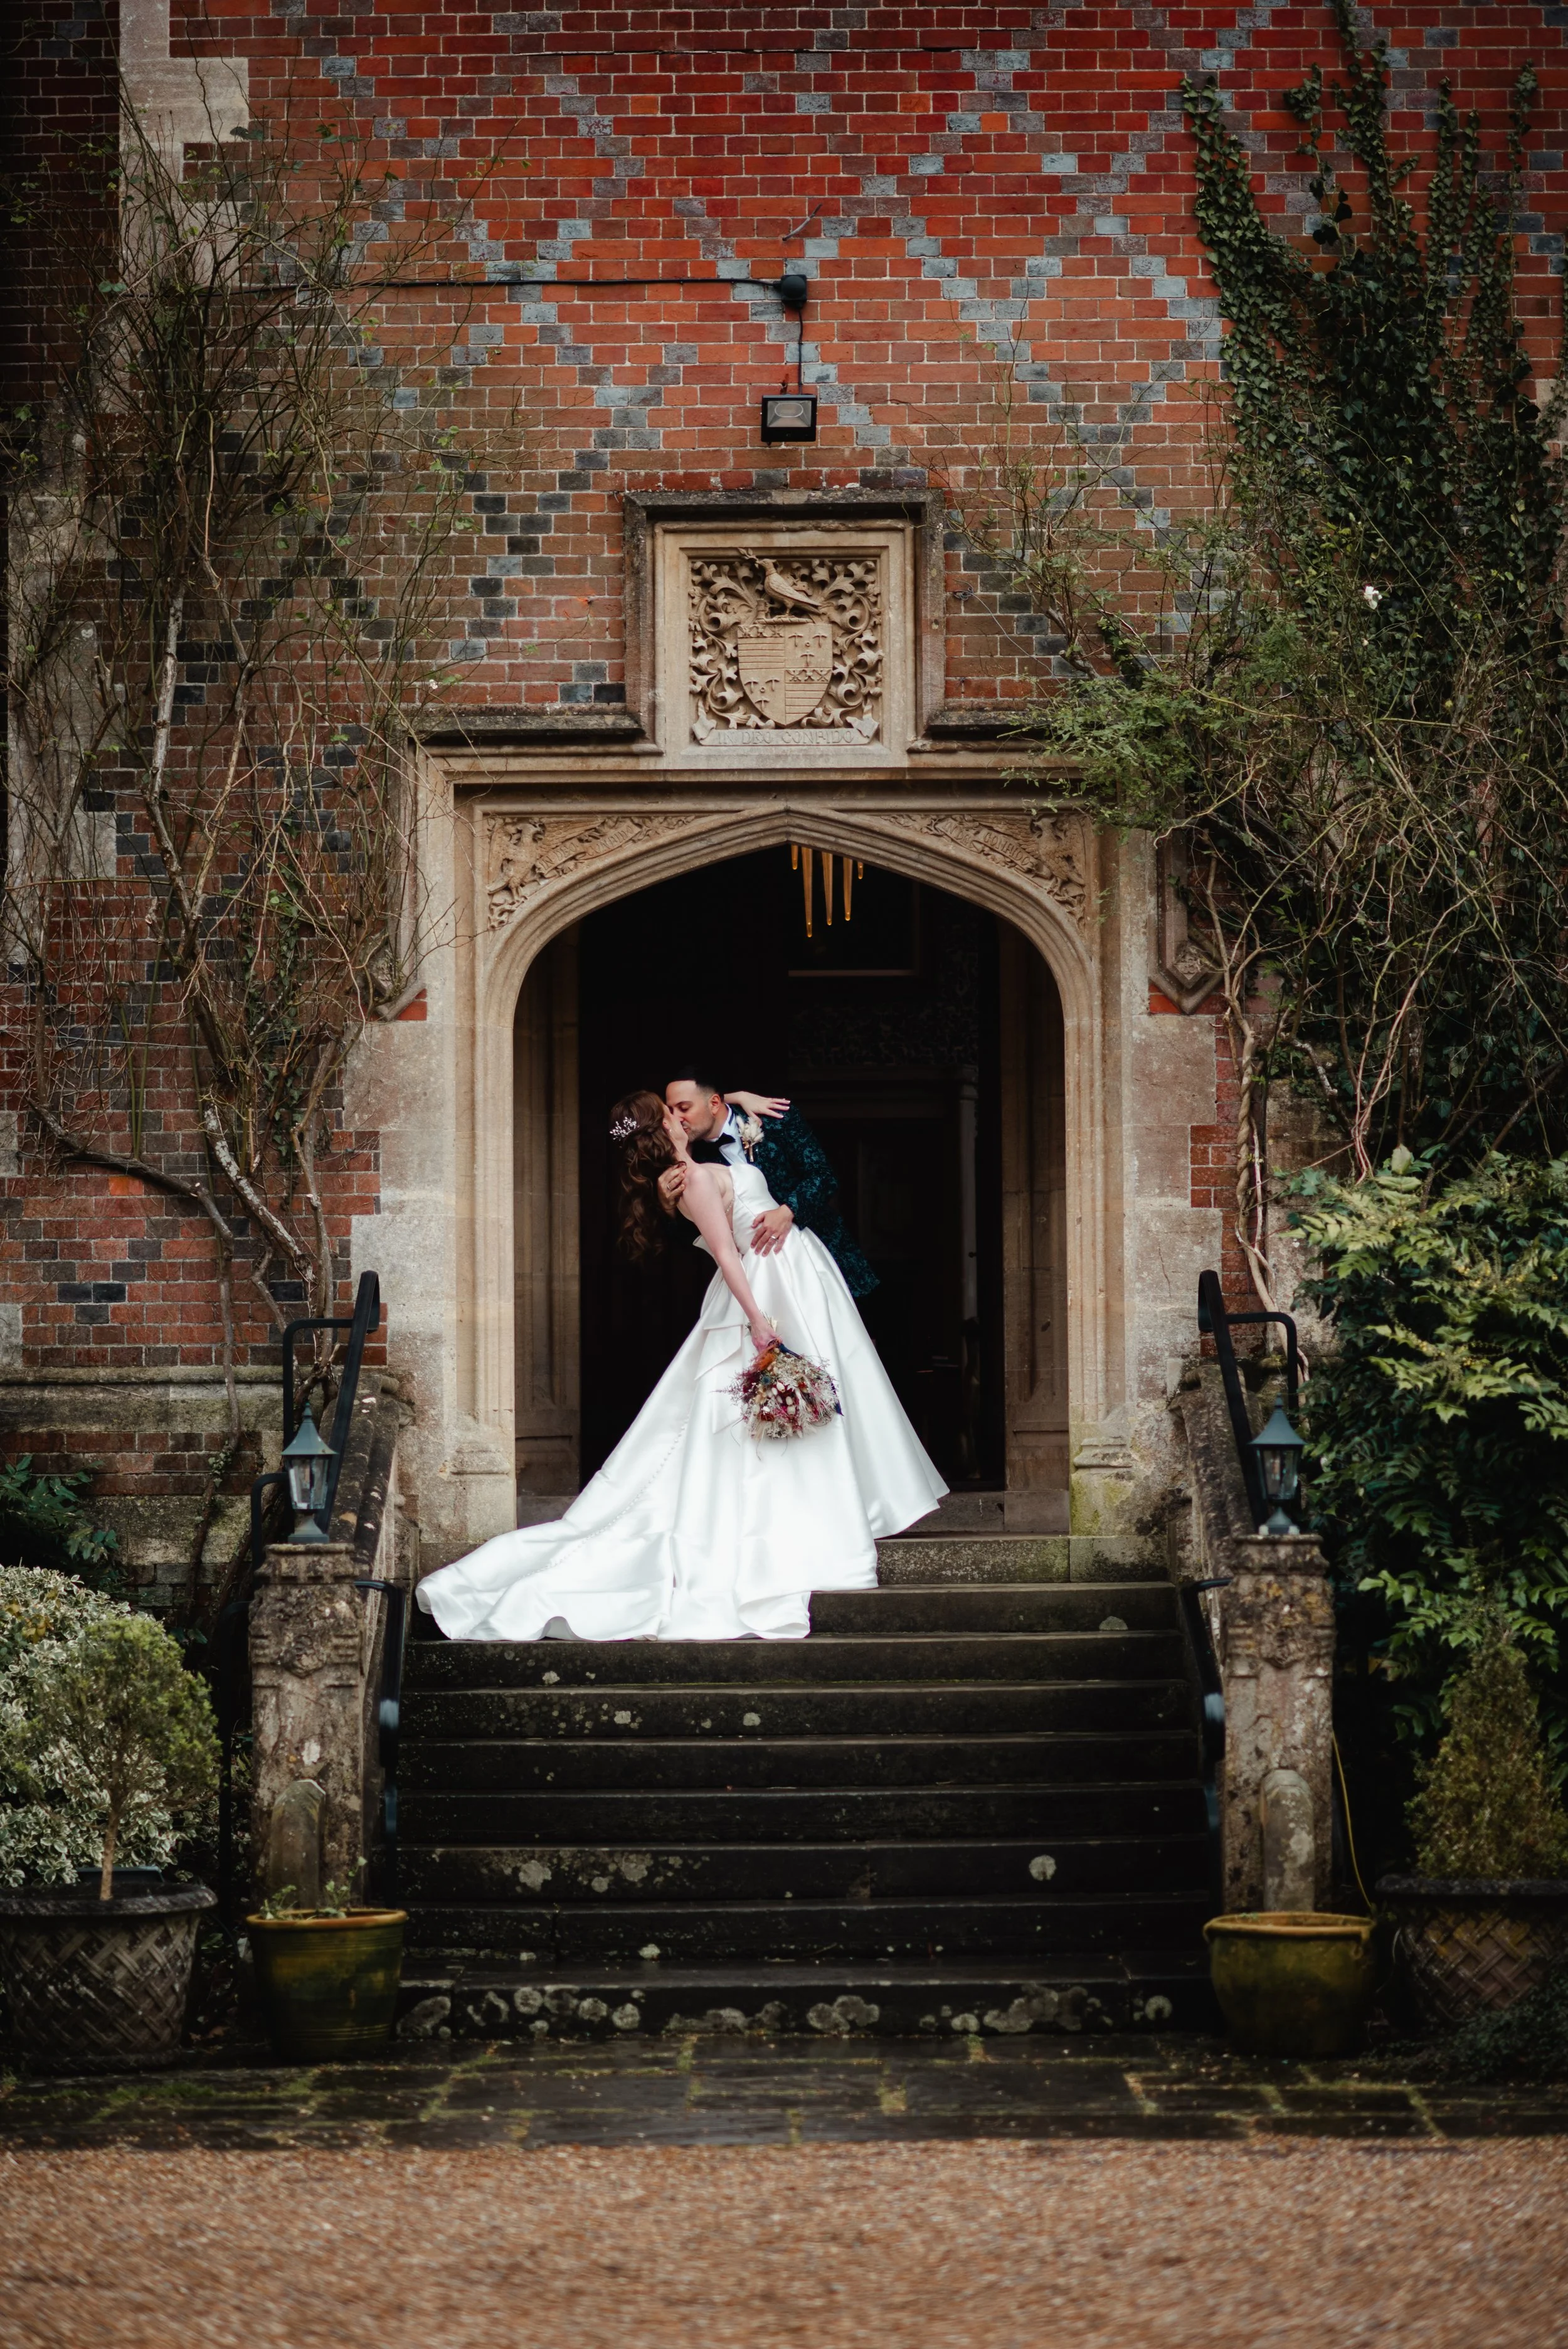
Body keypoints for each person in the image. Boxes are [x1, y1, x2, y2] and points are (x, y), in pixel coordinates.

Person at [415, 1088, 945, 1641]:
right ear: (662, 1128)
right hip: (761, 1291)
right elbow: (726, 1254)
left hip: (793, 1278)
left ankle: (832, 1510)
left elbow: (728, 1147)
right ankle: (791, 1527)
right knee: (752, 1422)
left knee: (802, 1405)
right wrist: (759, 1321)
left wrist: (735, 1097)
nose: (678, 1116)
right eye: (669, 1112)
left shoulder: (696, 1168)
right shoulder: (689, 1181)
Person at [662, 1070, 877, 1297]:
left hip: (823, 1254)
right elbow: (690, 1234)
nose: (676, 1118)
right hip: (757, 1276)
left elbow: (823, 1177)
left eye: (684, 1109)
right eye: (671, 1111)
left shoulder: (773, 1120)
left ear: (715, 1102)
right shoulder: (692, 1162)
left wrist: (788, 1211)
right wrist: (667, 1204)